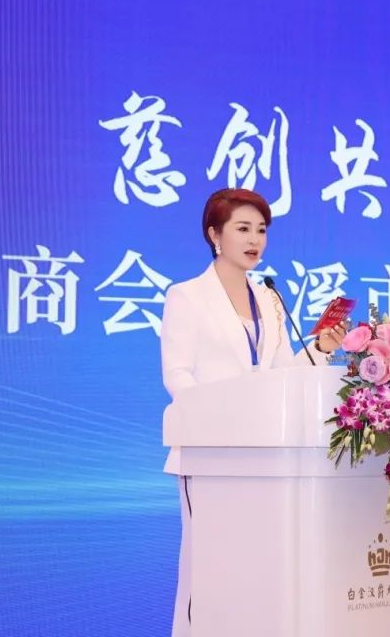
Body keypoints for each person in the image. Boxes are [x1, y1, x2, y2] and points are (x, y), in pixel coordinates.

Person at [159, 188, 347, 637]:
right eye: (242, 228)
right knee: (209, 569)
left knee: (257, 571)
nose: (254, 240)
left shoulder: (269, 300)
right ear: (214, 235)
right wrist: (221, 415)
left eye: (261, 230)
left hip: (264, 458)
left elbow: (281, 374)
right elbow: (177, 376)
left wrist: (321, 348)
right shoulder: (186, 296)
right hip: (208, 455)